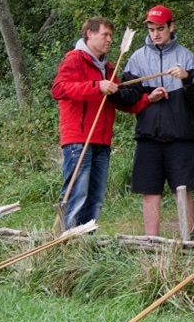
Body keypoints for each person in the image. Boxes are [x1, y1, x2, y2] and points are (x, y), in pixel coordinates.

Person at [111, 5, 194, 238]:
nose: (156, 33)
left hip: (181, 135)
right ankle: (151, 241)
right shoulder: (137, 58)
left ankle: (188, 238)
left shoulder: (186, 56)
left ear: (171, 27)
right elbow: (128, 97)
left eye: (161, 28)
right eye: (152, 29)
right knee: (150, 191)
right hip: (148, 135)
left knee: (182, 191)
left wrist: (187, 78)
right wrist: (146, 96)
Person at [51, 17, 135, 229]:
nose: (109, 40)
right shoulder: (74, 60)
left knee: (95, 198)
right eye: (105, 34)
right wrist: (96, 86)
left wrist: (146, 100)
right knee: (76, 193)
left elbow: (121, 100)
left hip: (102, 140)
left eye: (111, 36)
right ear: (90, 33)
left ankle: (86, 241)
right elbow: (59, 89)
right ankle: (66, 239)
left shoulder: (108, 67)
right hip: (78, 139)